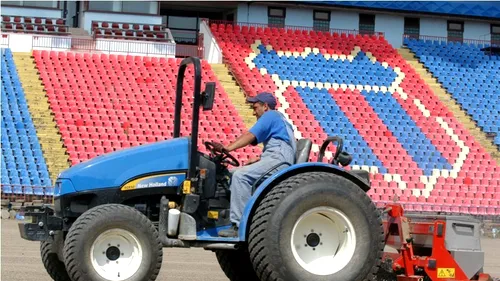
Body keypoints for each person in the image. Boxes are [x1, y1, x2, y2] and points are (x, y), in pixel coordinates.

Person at [212, 92, 297, 237]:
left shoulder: (271, 115)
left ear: (265, 106)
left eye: (255, 107)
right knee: (230, 173)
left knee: (240, 176)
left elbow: (250, 136)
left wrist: (227, 148)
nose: (253, 111)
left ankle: (239, 226)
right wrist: (260, 158)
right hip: (277, 157)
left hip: (278, 158)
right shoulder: (280, 119)